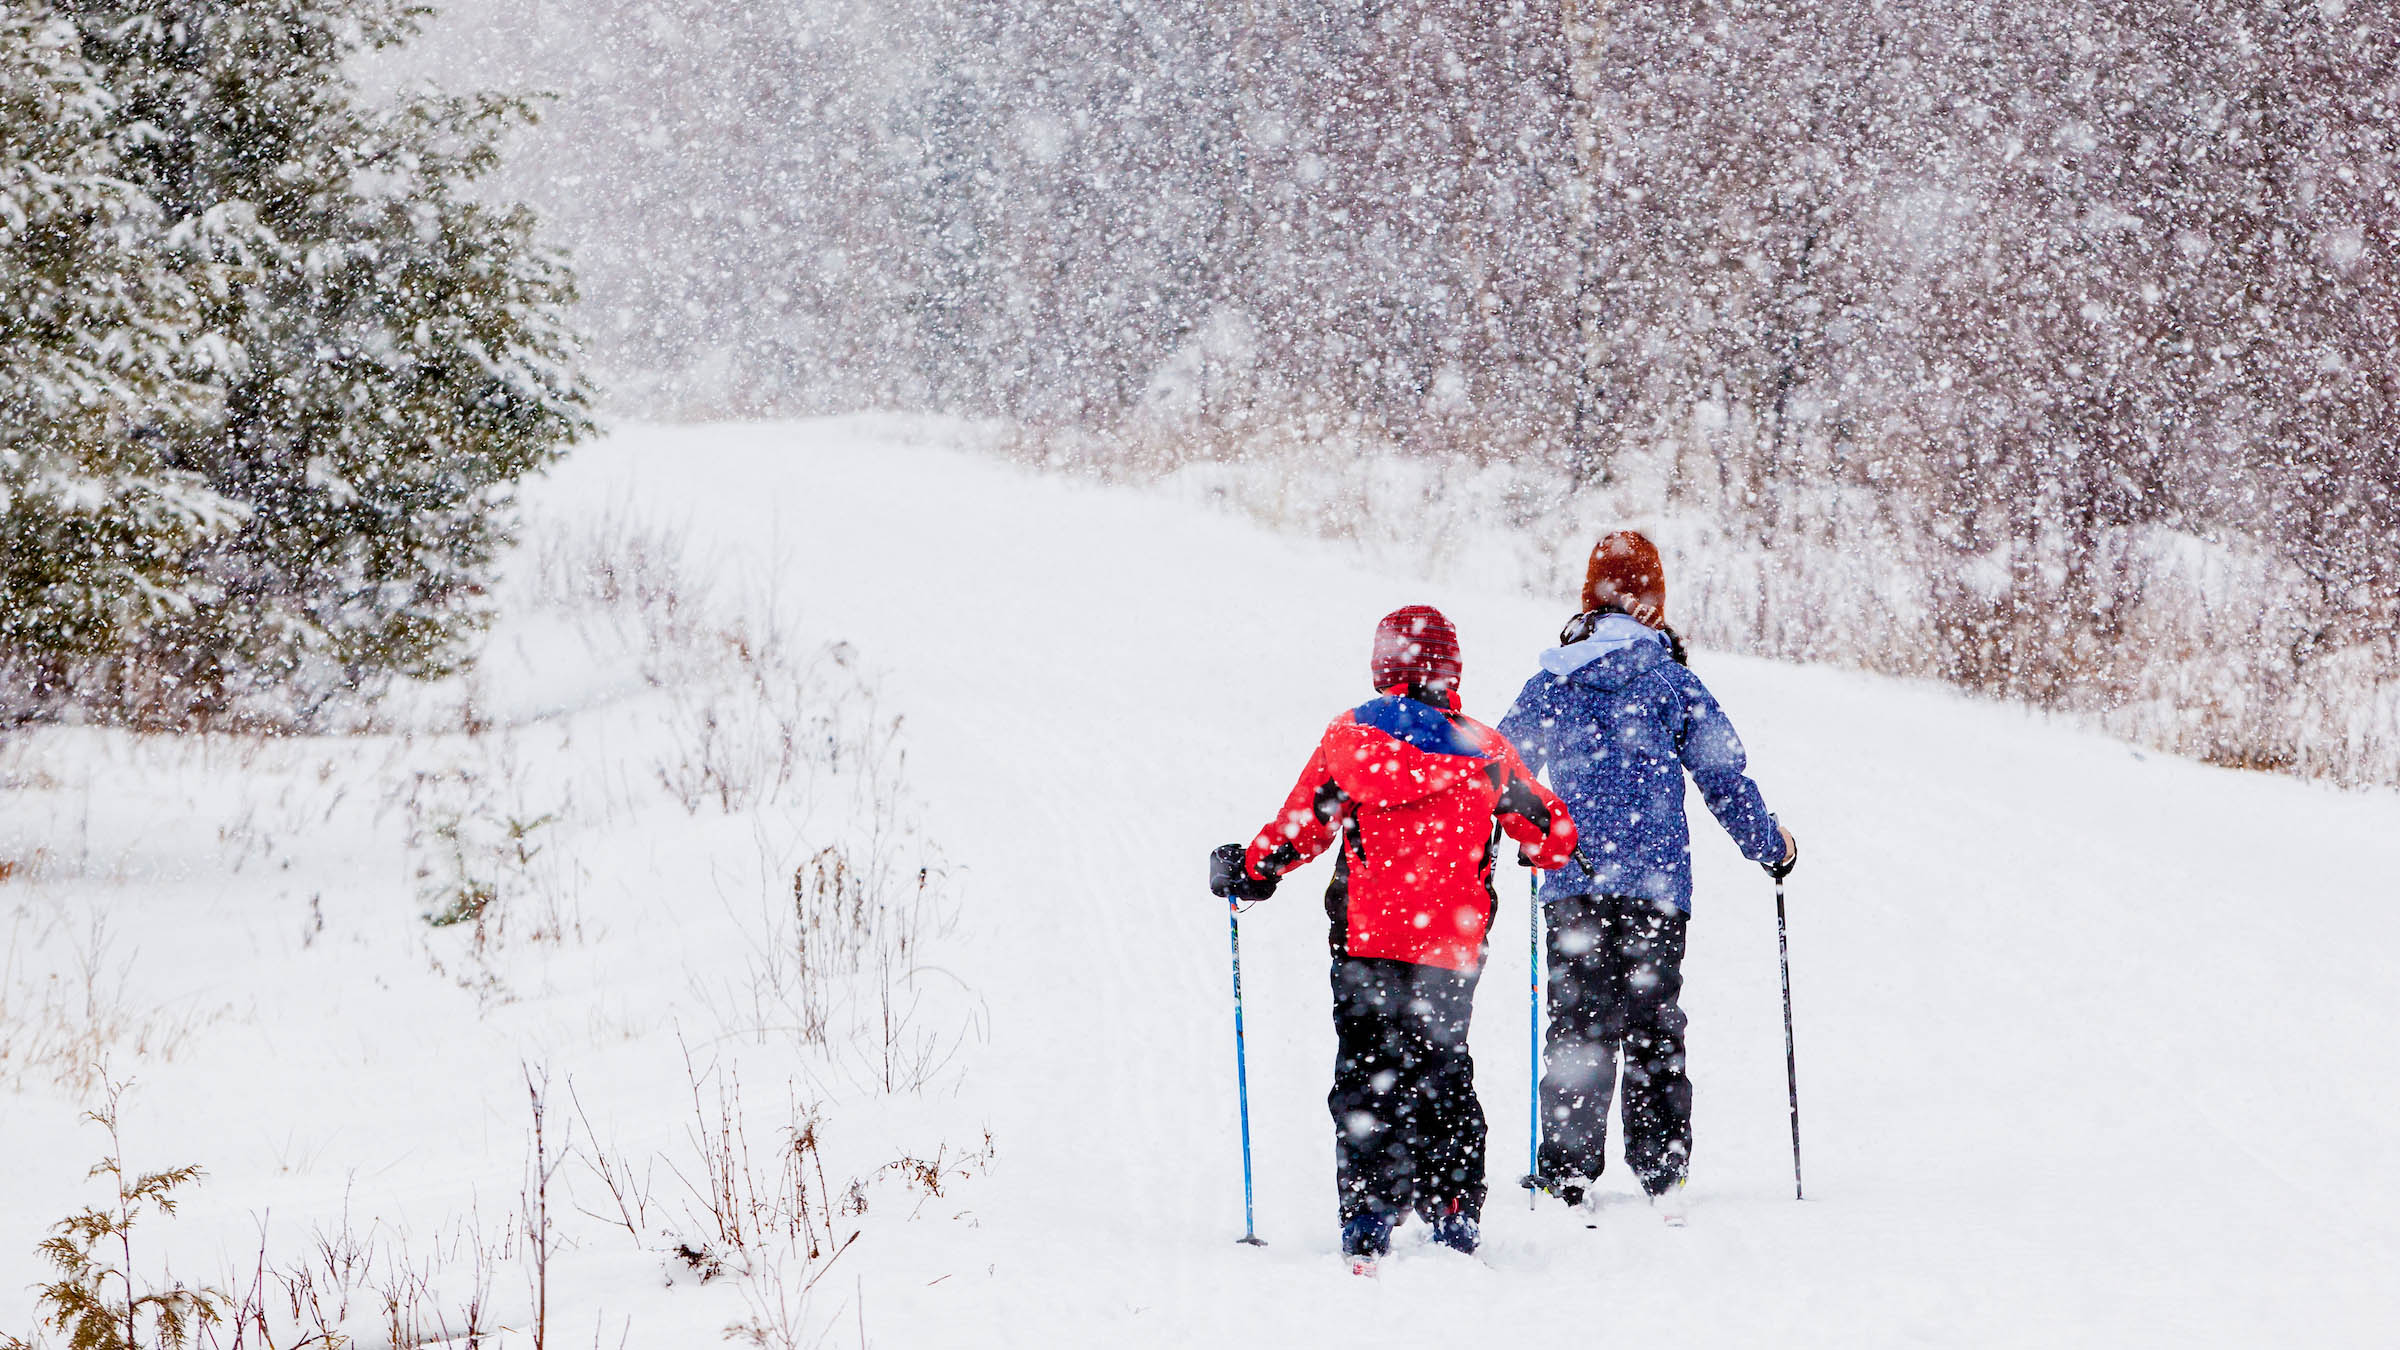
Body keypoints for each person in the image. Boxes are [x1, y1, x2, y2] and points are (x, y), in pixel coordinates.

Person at [1210, 604, 1579, 1272]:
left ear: (1384, 664)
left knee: (1367, 1075)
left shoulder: (1349, 738)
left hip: (1366, 941)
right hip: (1452, 947)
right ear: (1451, 667)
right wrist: (1543, 848)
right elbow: (1551, 830)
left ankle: (1369, 1217)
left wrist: (1252, 871)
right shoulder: (1486, 751)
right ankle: (1453, 1207)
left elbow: (1302, 826)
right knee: (1444, 1070)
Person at [1497, 531, 1797, 1221]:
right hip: (1656, 886)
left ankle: (1567, 1171)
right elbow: (1722, 774)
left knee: (1577, 1025)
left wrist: (1530, 833)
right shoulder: (1672, 681)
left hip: (1573, 881)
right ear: (1653, 602)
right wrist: (1769, 844)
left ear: (1589, 599)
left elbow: (1501, 772)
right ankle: (1662, 1168)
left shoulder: (1556, 679)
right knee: (1654, 1020)